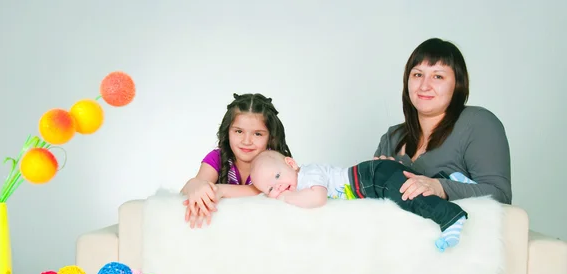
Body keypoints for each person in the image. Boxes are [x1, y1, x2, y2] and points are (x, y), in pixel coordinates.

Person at [373, 38, 512, 204]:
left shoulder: (478, 124)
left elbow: (500, 195)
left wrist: (439, 188)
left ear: (458, 84)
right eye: (418, 74)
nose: (424, 86)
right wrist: (380, 179)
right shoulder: (391, 138)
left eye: (438, 76)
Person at [250, 150, 468, 252]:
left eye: (277, 177)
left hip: (372, 178)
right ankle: (447, 179)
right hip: (374, 178)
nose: (277, 187)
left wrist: (286, 197)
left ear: (291, 163)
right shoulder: (298, 179)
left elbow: (317, 198)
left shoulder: (308, 174)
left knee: (407, 197)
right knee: (413, 182)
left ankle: (450, 216)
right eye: (270, 188)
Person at [180, 93, 292, 228]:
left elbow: (264, 191)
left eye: (257, 134)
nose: (246, 141)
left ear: (271, 137)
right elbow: (196, 184)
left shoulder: (275, 162)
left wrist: (221, 190)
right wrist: (195, 185)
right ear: (227, 132)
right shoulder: (217, 157)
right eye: (239, 131)